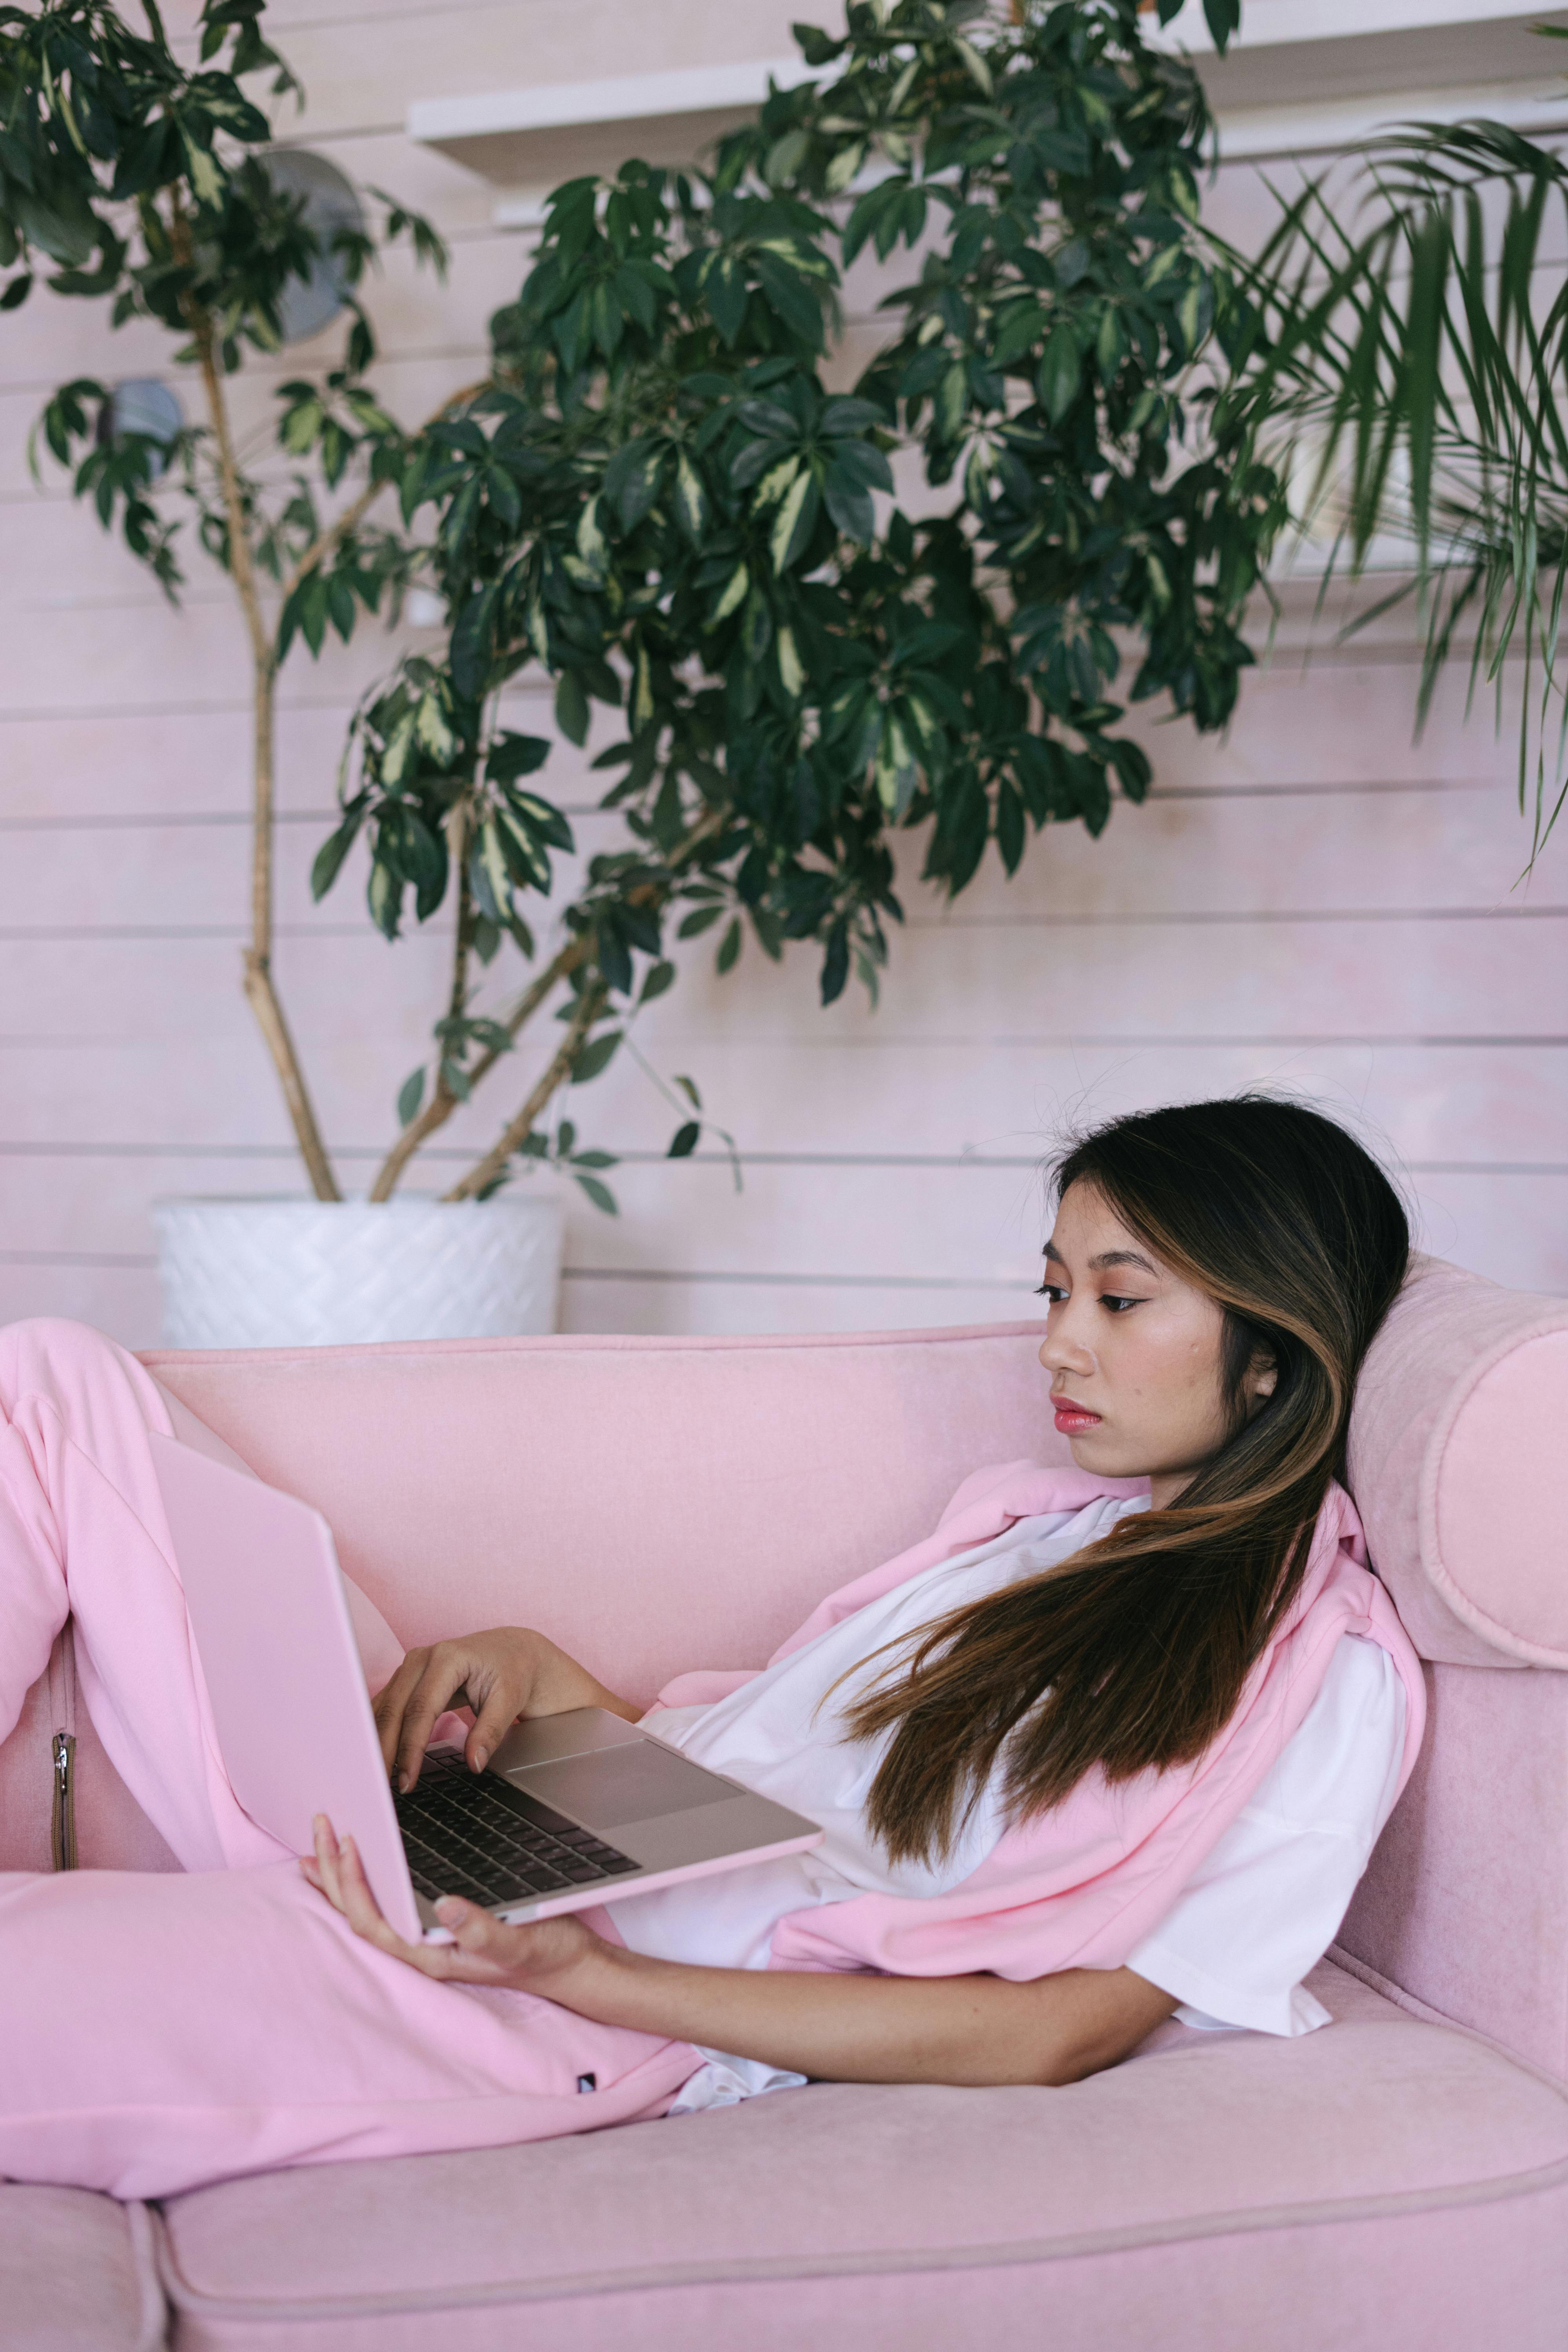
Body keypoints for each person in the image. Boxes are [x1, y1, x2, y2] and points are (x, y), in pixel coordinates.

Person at [0, 1096, 1424, 2200]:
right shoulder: (1030, 1528)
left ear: (1273, 1351)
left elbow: (1062, 2031)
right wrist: (558, 1688)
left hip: (571, 2000)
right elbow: (764, 1807)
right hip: (533, 1835)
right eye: (1055, 1291)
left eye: (1119, 1301)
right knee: (51, 1381)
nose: (1057, 1345)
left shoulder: (1320, 1668)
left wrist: (584, 1980)